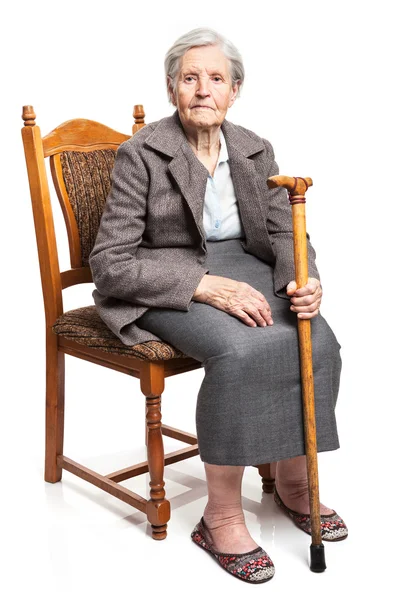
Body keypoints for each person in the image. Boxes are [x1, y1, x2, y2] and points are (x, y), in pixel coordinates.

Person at [89, 27, 348, 584]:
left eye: (215, 79)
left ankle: (296, 483)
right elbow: (110, 262)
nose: (203, 89)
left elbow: (286, 234)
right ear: (171, 89)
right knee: (241, 350)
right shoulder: (142, 153)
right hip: (163, 277)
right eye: (189, 78)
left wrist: (305, 280)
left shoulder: (254, 148)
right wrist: (201, 285)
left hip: (245, 268)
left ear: (235, 91)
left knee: (317, 336)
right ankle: (221, 514)